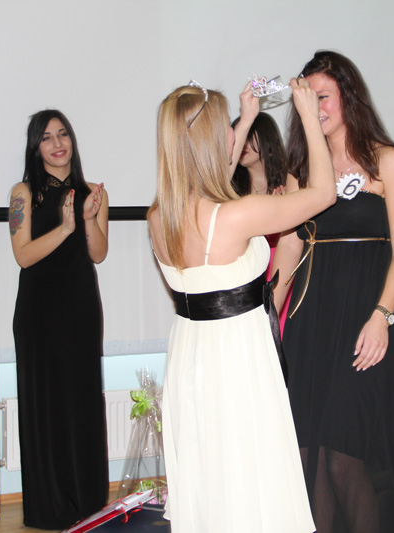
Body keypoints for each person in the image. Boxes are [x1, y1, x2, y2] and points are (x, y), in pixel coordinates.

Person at [147, 78, 335, 532]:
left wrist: (248, 115)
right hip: (237, 358)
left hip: (192, 356)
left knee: (214, 468)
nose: (234, 137)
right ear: (211, 141)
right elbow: (324, 194)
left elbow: (208, 183)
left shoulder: (159, 216)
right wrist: (308, 117)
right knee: (249, 471)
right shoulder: (237, 215)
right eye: (226, 130)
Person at [272, 51, 394, 533]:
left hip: (364, 321)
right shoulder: (302, 167)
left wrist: (382, 315)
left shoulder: (388, 160)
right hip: (310, 323)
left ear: (348, 96)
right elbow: (290, 245)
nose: (316, 106)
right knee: (311, 457)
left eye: (324, 96)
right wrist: (267, 314)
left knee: (344, 459)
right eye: (308, 98)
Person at [9, 109, 109, 529]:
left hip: (80, 308)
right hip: (39, 312)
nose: (57, 144)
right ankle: (50, 506)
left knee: (82, 401)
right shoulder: (23, 193)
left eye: (62, 134)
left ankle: (88, 501)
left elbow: (98, 253)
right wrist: (64, 229)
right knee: (45, 404)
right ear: (36, 147)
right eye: (46, 137)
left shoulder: (94, 192)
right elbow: (23, 255)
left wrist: (86, 221)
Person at [231, 111, 293, 331]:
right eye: (237, 137)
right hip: (244, 276)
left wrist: (286, 210)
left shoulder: (291, 183)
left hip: (283, 274)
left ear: (266, 137)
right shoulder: (228, 190)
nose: (241, 144)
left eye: (248, 135)